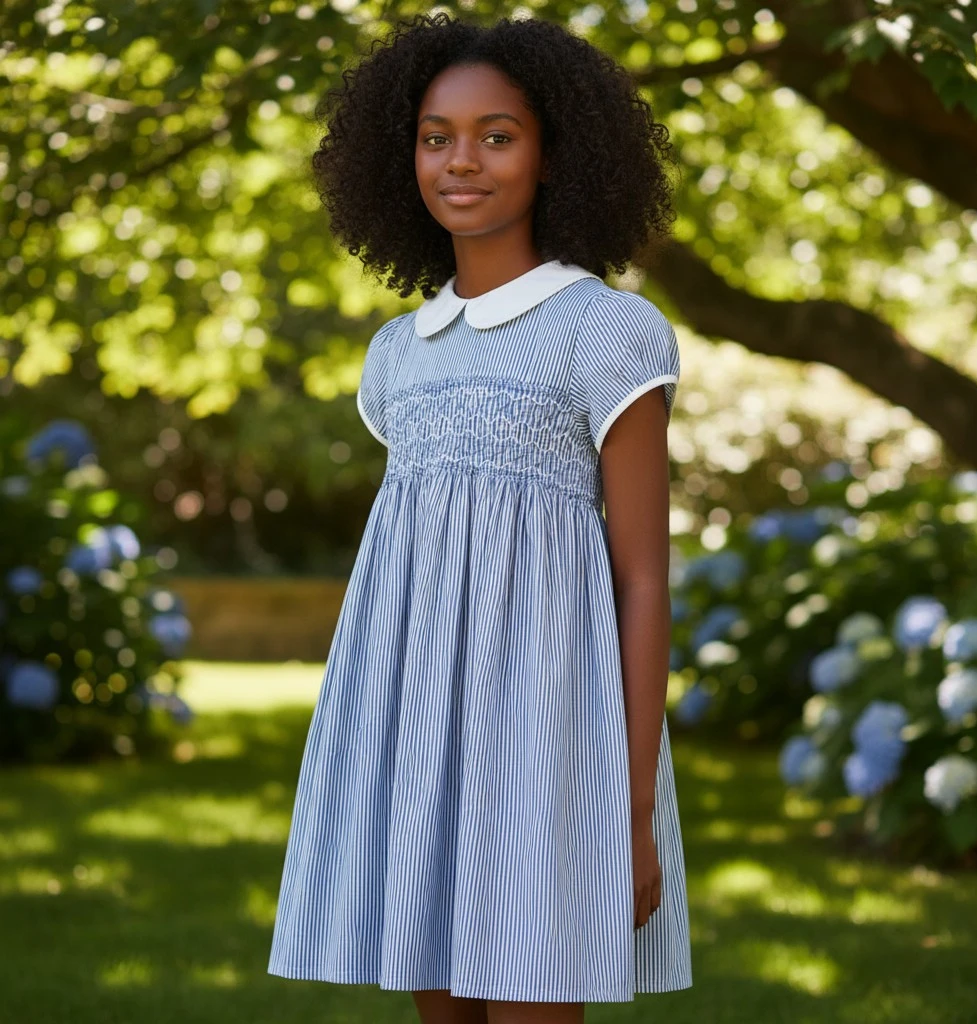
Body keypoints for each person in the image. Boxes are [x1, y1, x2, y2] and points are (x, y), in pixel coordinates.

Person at [267, 12, 692, 1024]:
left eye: (497, 135)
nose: (461, 161)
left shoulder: (606, 329)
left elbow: (640, 581)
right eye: (434, 135)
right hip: (421, 737)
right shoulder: (396, 353)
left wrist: (629, 811)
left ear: (555, 157)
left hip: (552, 739)